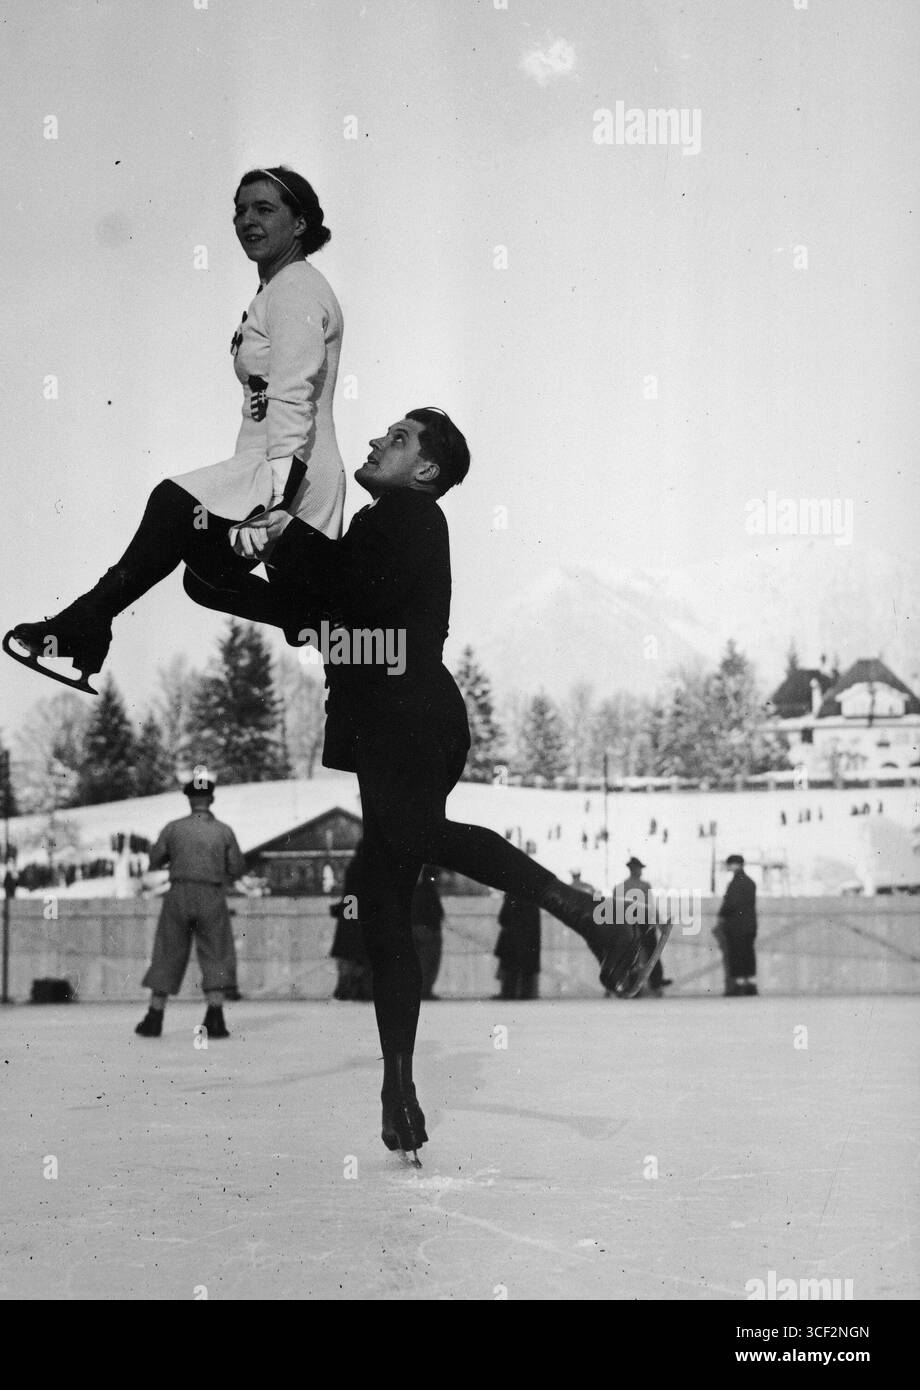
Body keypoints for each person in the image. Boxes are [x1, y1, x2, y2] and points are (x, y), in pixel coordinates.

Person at [227, 408, 666, 1161]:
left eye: (395, 440)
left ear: (425, 470)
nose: (373, 442)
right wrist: (219, 569)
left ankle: (596, 918)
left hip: (413, 713)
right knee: (385, 900)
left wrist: (278, 534)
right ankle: (398, 1087)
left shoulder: (411, 517)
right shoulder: (379, 525)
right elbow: (311, 604)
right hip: (382, 725)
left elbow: (342, 590)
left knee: (409, 842)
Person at [5, 166, 344, 693]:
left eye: (264, 208)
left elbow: (294, 394)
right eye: (239, 209)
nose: (246, 220)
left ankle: (84, 623)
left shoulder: (298, 288)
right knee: (204, 575)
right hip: (270, 462)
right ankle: (321, 623)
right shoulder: (276, 289)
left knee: (172, 504)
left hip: (290, 467)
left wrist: (280, 489)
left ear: (300, 224)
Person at [135, 778, 245, 1039]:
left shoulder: (173, 829)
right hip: (211, 894)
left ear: (188, 799)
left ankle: (154, 1016)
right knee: (216, 953)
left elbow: (155, 859)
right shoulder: (224, 831)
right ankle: (215, 1017)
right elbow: (237, 867)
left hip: (180, 893)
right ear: (212, 800)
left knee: (168, 952)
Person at [612, 856, 671, 996]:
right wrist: (660, 924)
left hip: (627, 924)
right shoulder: (644, 886)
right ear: (634, 869)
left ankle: (633, 986)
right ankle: (656, 983)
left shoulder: (620, 887)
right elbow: (650, 906)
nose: (641, 871)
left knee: (631, 956)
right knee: (651, 953)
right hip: (643, 923)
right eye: (639, 869)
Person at [330, 844, 373, 1001]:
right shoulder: (369, 869)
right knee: (362, 960)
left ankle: (346, 991)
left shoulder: (354, 867)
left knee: (349, 960)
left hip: (350, 922)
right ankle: (359, 991)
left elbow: (351, 897)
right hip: (359, 922)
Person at [713, 854, 759, 996]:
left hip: (736, 925)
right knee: (748, 953)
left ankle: (739, 985)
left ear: (735, 865)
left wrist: (721, 914)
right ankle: (751, 984)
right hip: (750, 925)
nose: (728, 867)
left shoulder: (735, 883)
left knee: (736, 954)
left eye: (730, 864)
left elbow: (731, 904)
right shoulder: (750, 882)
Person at [493, 893, 540, 999]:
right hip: (529, 941)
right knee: (527, 969)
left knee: (510, 968)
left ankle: (509, 993)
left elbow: (503, 918)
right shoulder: (532, 898)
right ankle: (526, 994)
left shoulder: (512, 896)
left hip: (512, 940)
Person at [410, 865, 444, 1000]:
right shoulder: (430, 891)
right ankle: (425, 991)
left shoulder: (416, 890)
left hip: (415, 929)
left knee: (418, 962)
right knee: (428, 963)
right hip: (429, 931)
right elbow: (438, 912)